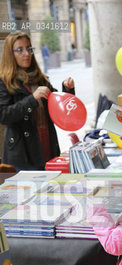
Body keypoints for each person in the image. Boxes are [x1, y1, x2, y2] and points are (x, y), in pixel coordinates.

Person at [0, 32, 75, 171]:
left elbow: (58, 108)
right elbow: (4, 115)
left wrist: (67, 90)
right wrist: (32, 99)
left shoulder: (40, 78)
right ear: (11, 54)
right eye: (20, 50)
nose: (26, 53)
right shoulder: (4, 81)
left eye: (29, 48)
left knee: (50, 190)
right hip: (23, 154)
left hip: (47, 145)